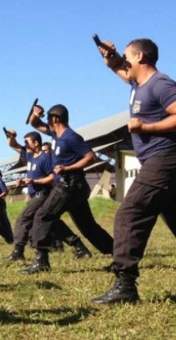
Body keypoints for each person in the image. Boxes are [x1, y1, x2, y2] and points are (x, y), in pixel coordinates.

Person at [93, 38, 176, 304]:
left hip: (165, 158)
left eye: (128, 55)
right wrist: (110, 61)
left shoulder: (160, 84)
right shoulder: (137, 84)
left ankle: (125, 285)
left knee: (130, 213)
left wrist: (146, 128)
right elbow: (121, 69)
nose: (124, 59)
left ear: (140, 56)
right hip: (158, 160)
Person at [25, 103, 114, 274]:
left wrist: (68, 168)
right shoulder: (55, 135)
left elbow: (90, 157)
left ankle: (41, 261)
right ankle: (119, 255)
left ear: (56, 119)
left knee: (42, 216)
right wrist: (36, 114)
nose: (47, 122)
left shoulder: (71, 137)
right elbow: (34, 124)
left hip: (70, 184)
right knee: (88, 226)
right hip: (72, 186)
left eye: (49, 118)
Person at [3, 130, 92, 262]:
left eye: (27, 142)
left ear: (36, 143)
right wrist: (11, 137)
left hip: (44, 194)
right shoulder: (29, 156)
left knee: (23, 218)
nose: (25, 145)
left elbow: (52, 177)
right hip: (36, 195)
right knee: (51, 223)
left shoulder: (45, 159)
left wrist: (35, 181)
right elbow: (13, 145)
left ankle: (18, 251)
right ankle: (79, 247)